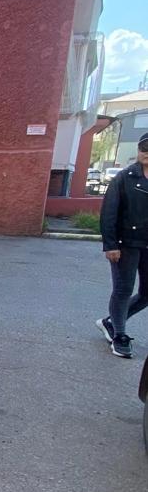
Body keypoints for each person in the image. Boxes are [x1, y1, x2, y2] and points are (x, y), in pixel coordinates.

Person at [97, 134, 148, 358]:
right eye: (144, 147)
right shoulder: (125, 177)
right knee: (123, 290)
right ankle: (119, 335)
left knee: (146, 294)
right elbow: (109, 213)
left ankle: (111, 322)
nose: (146, 152)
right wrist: (110, 245)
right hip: (126, 244)